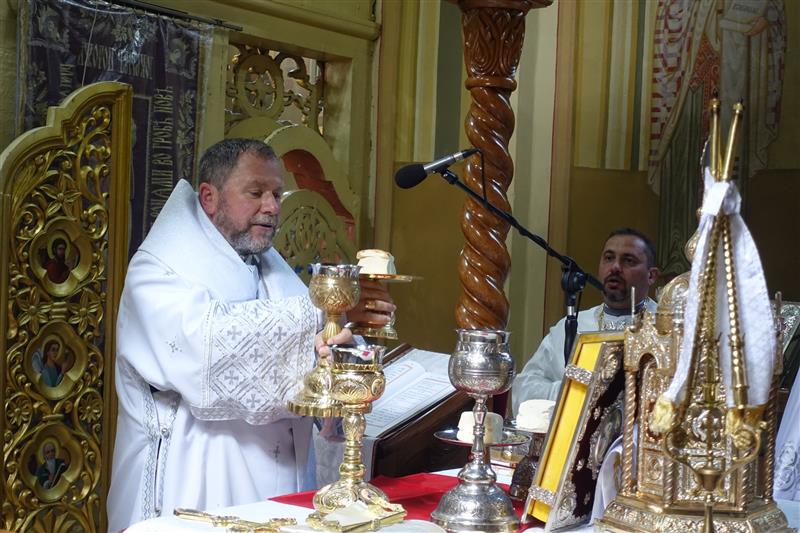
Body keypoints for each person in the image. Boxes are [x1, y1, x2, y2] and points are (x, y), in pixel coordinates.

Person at [107, 139, 394, 531]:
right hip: (198, 477)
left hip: (283, 477)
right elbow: (210, 348)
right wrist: (329, 309)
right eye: (256, 193)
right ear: (209, 197)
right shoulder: (158, 272)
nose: (273, 207)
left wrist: (336, 347)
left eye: (277, 193)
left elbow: (302, 344)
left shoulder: (268, 265)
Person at [511, 228, 660, 414]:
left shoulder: (668, 328)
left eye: (628, 260)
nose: (615, 267)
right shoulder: (572, 326)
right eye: (608, 258)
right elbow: (523, 390)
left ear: (651, 275)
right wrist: (575, 392)